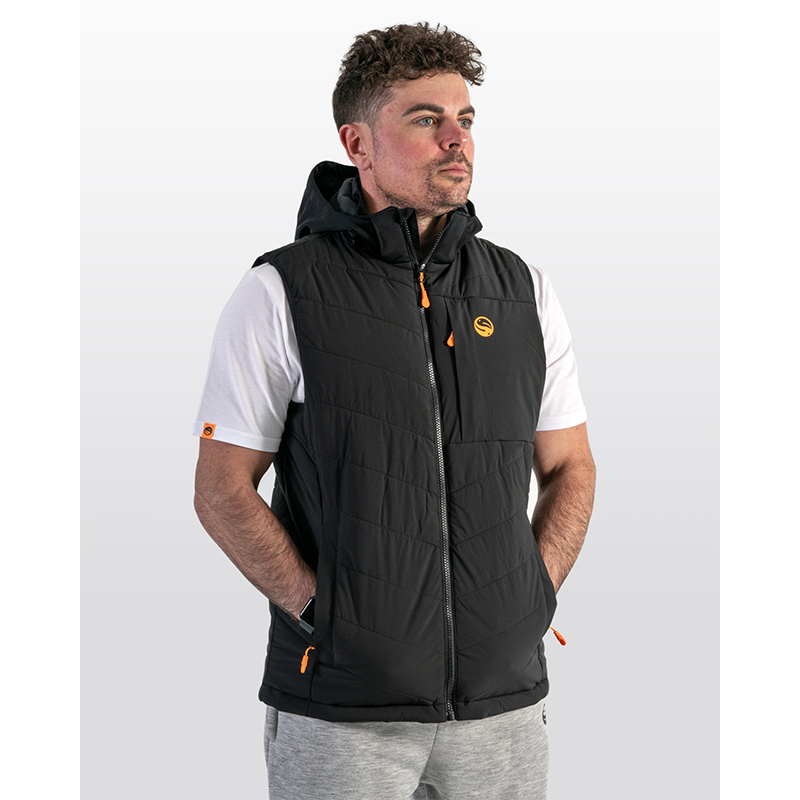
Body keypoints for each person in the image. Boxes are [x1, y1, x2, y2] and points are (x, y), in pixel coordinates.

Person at [193, 22, 596, 800]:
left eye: (465, 119)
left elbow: (571, 465)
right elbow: (220, 489)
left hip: (503, 710)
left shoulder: (523, 292)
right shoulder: (282, 291)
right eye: (425, 119)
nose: (456, 139)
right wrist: (322, 612)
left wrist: (530, 596)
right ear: (358, 143)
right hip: (342, 712)